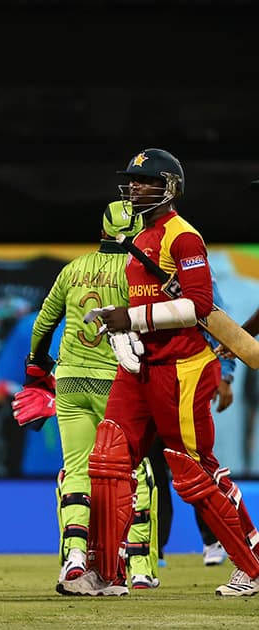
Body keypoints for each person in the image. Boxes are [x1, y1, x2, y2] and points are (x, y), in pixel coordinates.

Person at [60, 148, 259, 597]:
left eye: (145, 181)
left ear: (169, 187)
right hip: (142, 367)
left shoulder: (183, 237)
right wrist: (125, 333)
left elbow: (198, 306)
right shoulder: (139, 241)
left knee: (193, 470)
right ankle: (105, 575)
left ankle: (253, 565)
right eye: (131, 181)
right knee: (107, 461)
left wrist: (133, 321)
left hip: (184, 369)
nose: (134, 187)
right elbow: (146, 305)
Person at [13, 201, 159, 595]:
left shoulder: (73, 269)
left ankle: (75, 558)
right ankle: (136, 562)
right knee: (132, 472)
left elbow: (44, 323)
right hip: (119, 383)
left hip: (72, 381)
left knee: (76, 472)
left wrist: (37, 371)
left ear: (102, 231)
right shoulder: (141, 270)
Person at [148, 273, 237, 569]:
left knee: (194, 462)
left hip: (189, 380)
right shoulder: (136, 274)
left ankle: (213, 539)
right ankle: (153, 548)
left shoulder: (195, 276)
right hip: (152, 380)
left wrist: (224, 376)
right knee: (154, 470)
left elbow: (219, 322)